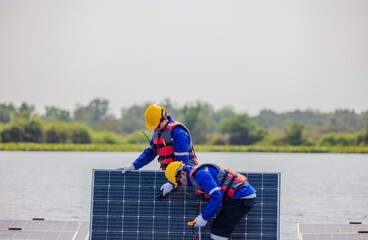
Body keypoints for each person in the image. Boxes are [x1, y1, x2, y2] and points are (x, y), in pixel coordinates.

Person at [164, 161, 256, 240]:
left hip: (242, 196)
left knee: (219, 230)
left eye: (179, 183)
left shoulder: (200, 175)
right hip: (239, 196)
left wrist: (204, 217)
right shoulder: (196, 174)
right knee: (219, 229)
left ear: (182, 174)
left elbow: (216, 196)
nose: (181, 186)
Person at [120, 104, 199, 194]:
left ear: (164, 118)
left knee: (185, 204)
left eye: (157, 126)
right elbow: (149, 153)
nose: (156, 129)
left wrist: (172, 183)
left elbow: (182, 163)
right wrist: (133, 166)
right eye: (153, 127)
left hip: (187, 178)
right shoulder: (157, 133)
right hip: (170, 176)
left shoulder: (178, 133)